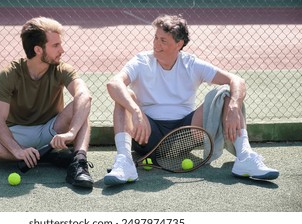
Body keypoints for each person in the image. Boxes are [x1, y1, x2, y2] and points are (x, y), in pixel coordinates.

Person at [104, 14, 279, 186]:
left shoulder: (191, 64)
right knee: (125, 98)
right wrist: (136, 111)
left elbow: (237, 80)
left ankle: (245, 157)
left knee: (226, 93)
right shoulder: (142, 61)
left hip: (186, 133)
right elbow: (114, 83)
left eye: (163, 41)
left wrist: (234, 106)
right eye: (156, 38)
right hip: (147, 135)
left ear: (179, 44)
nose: (156, 44)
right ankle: (125, 161)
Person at [0, 16, 94, 188]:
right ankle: (47, 156)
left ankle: (79, 162)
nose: (62, 50)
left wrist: (71, 133)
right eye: (55, 45)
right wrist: (17, 151)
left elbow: (84, 95)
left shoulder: (60, 68)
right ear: (38, 50)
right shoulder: (10, 74)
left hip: (52, 130)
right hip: (18, 135)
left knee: (82, 107)